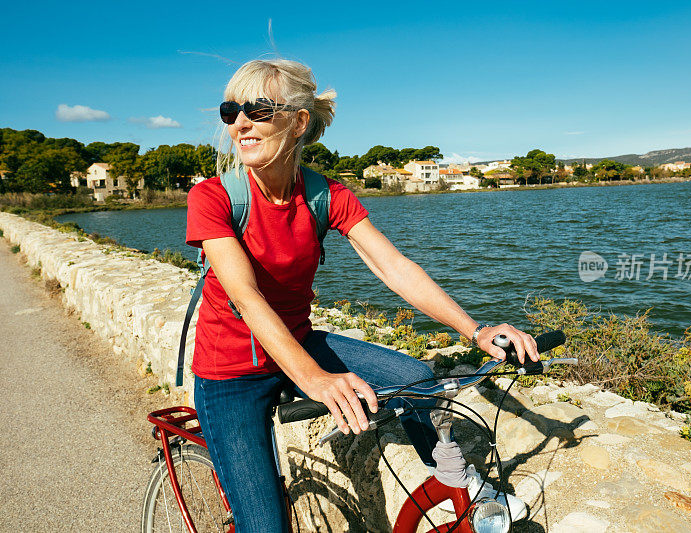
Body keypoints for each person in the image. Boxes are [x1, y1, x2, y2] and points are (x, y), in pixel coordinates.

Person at [185, 58, 540, 532]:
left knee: (417, 379)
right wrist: (316, 380)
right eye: (232, 111)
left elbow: (393, 268)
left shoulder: (325, 195)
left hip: (299, 342)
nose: (241, 123)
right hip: (232, 372)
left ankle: (464, 488)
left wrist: (476, 330)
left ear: (299, 121)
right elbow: (246, 297)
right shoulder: (213, 197)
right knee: (267, 527)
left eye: (259, 109)